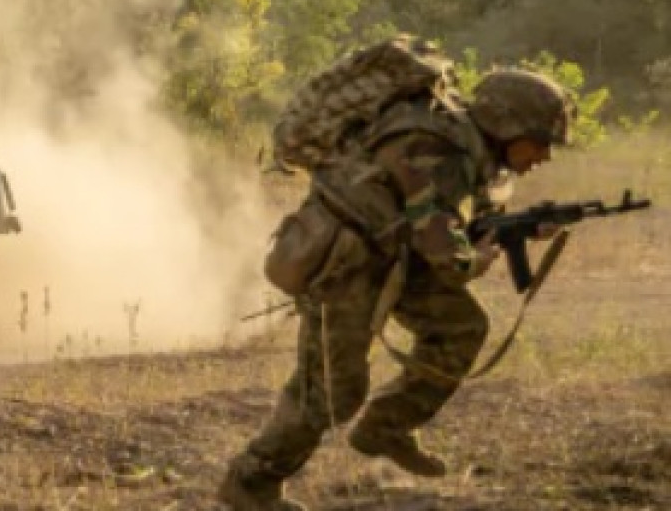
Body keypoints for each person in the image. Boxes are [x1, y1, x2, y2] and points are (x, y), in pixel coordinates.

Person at [216, 69, 576, 511]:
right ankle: (251, 482)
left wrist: (514, 230)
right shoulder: (437, 146)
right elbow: (440, 239)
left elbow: (452, 221)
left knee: (459, 327)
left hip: (392, 253)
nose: (543, 156)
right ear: (508, 126)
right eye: (540, 141)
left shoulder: (470, 149)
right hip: (344, 261)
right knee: (332, 390)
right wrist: (472, 261)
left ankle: (386, 426)